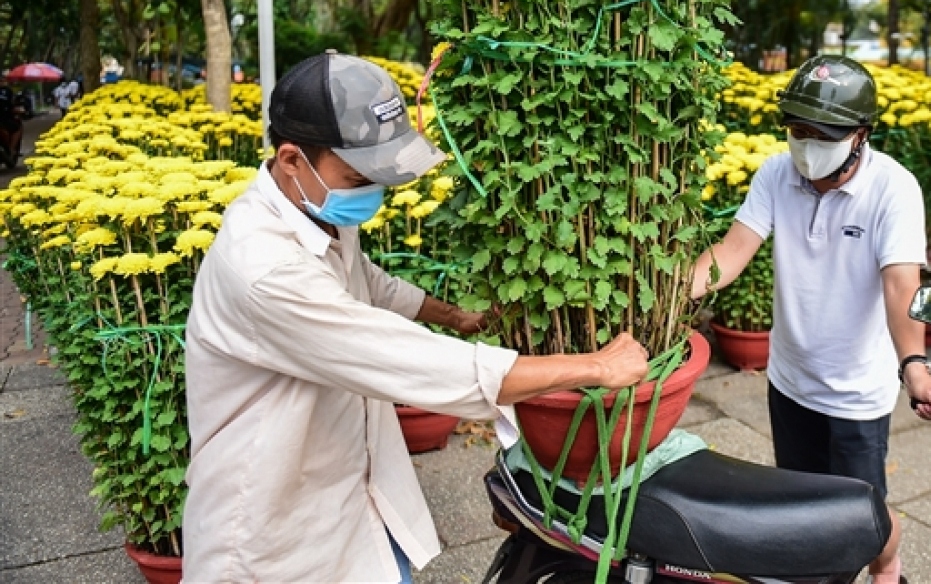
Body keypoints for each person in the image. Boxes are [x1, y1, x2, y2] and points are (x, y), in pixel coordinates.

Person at [183, 53, 649, 584]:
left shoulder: (315, 207)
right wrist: (594, 366)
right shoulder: (264, 271)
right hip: (274, 539)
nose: (372, 193)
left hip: (348, 501)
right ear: (291, 159)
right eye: (360, 176)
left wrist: (455, 316)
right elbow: (410, 360)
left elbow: (367, 280)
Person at [690, 55, 931, 584]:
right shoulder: (775, 174)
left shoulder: (894, 189)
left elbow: (901, 284)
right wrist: (669, 294)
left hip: (858, 393)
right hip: (789, 380)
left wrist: (917, 369)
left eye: (823, 133)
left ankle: (888, 568)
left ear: (860, 134)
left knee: (864, 517)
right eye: (797, 129)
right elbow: (732, 251)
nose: (807, 143)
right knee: (802, 508)